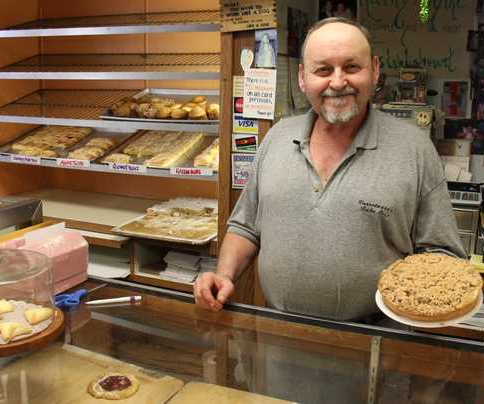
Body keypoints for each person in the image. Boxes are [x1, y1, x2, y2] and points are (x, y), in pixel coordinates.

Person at [194, 18, 465, 322]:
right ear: (302, 77)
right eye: (323, 70)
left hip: (377, 348)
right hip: (278, 341)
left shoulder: (414, 150)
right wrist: (223, 274)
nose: (337, 82)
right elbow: (245, 227)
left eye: (351, 67)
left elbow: (443, 257)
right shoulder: (277, 138)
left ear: (374, 70)